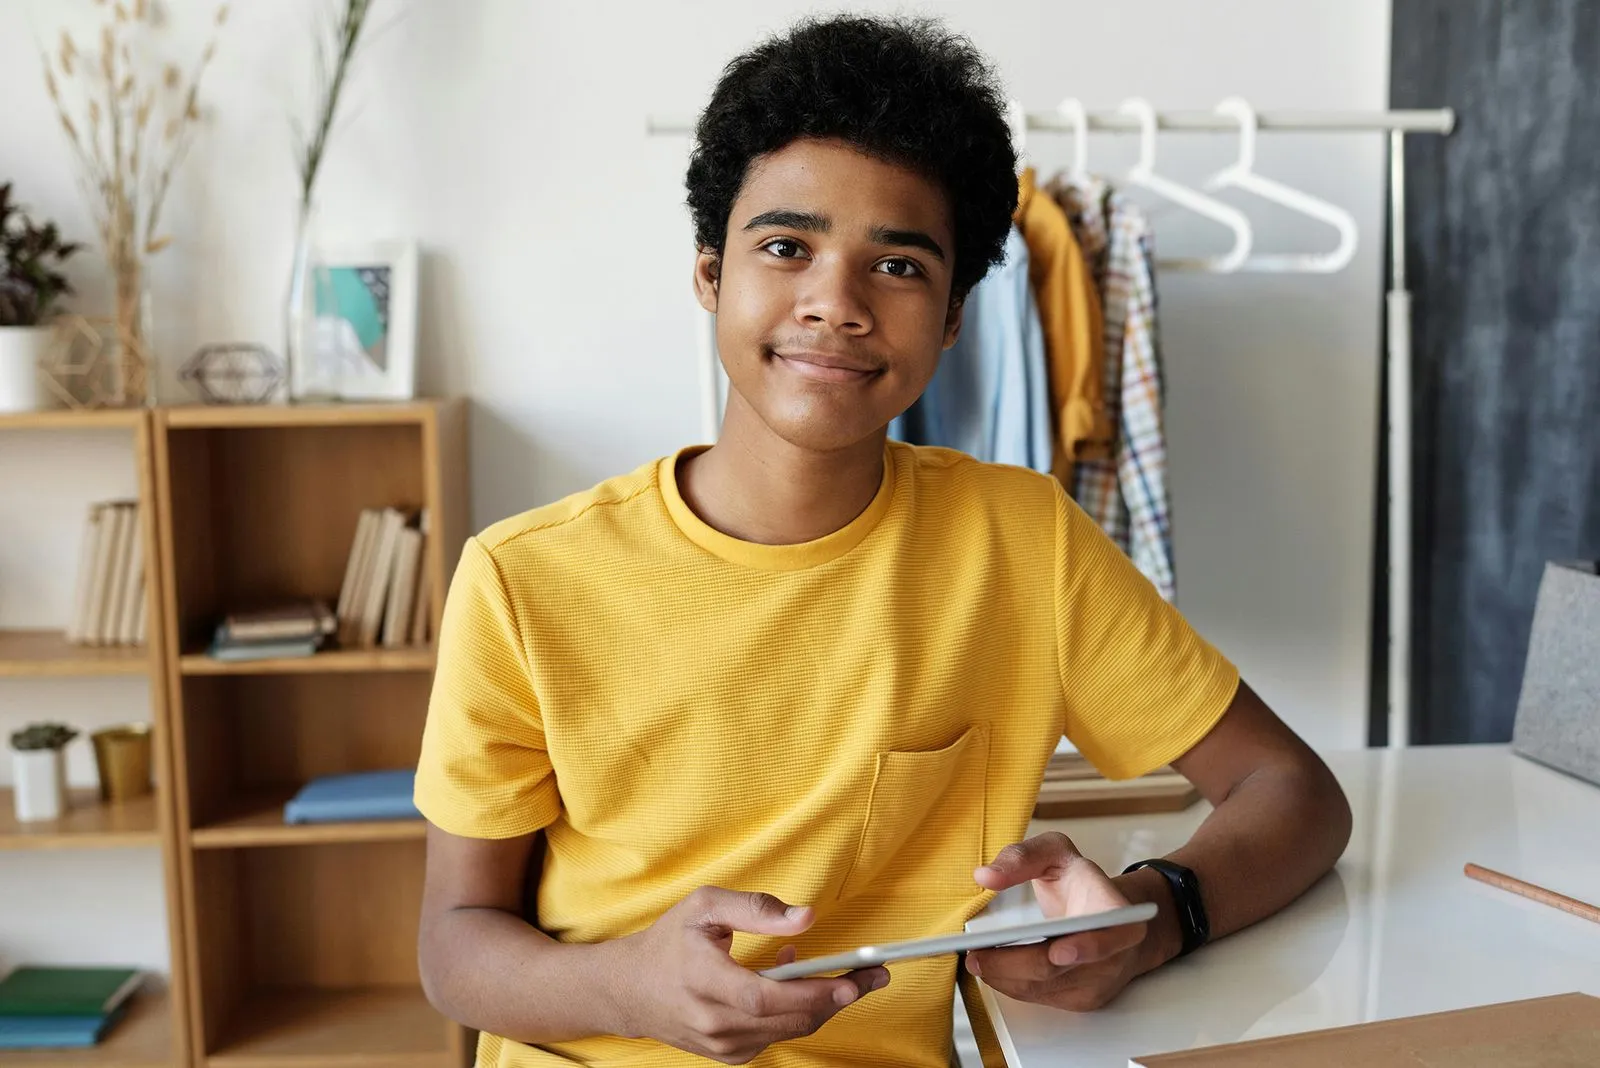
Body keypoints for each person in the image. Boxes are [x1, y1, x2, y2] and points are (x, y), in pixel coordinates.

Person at [413, 13, 1352, 1068]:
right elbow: (454, 947)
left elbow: (1295, 796)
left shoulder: (1023, 543)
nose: (836, 304)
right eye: (784, 248)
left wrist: (1146, 918)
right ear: (710, 274)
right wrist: (629, 990)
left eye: (898, 267)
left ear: (953, 317)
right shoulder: (522, 578)